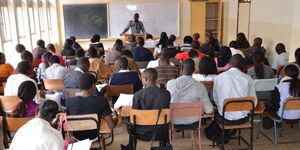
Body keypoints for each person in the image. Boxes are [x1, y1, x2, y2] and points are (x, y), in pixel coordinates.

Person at [121, 68, 170, 150]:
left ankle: (131, 147)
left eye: (142, 78)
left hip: (141, 132)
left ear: (146, 79)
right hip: (161, 130)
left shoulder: (138, 94)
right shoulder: (166, 93)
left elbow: (135, 115)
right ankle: (163, 146)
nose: (142, 80)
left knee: (131, 121)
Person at [67, 73, 117, 140]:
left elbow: (68, 122)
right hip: (94, 137)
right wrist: (116, 117)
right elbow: (111, 126)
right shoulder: (101, 100)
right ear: (93, 86)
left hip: (76, 137)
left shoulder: (69, 101)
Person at [167, 59, 213, 124]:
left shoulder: (170, 84)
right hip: (194, 120)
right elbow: (209, 110)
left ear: (181, 68)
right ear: (194, 70)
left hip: (174, 120)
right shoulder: (200, 86)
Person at [213, 54, 257, 123]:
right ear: (242, 65)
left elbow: (216, 98)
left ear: (229, 63)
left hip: (224, 117)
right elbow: (254, 101)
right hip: (243, 118)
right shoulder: (248, 78)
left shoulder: (218, 77)